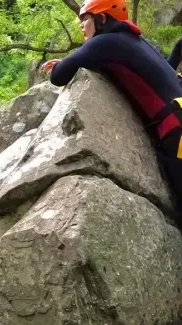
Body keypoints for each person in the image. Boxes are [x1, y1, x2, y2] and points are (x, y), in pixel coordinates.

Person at [41, 0, 182, 200]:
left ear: (102, 18)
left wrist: (63, 64)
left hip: (176, 129)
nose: (81, 25)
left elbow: (58, 76)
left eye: (85, 19)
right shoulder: (138, 41)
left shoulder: (105, 42)